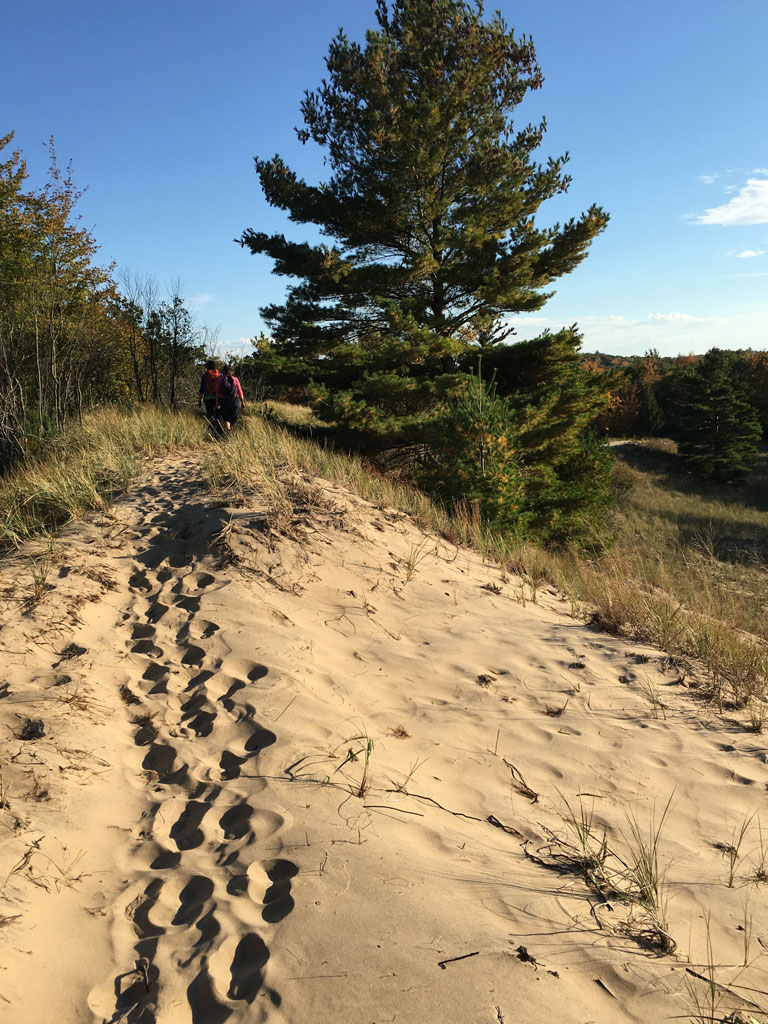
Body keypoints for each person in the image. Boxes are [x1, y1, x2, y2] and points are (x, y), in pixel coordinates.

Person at [215, 364, 246, 431]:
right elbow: (240, 391)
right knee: (233, 420)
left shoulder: (220, 379)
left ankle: (228, 430)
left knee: (226, 418)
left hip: (224, 401)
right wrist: (242, 402)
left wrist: (217, 402)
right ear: (231, 371)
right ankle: (232, 434)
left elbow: (217, 391)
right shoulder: (235, 379)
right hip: (235, 401)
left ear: (223, 371)